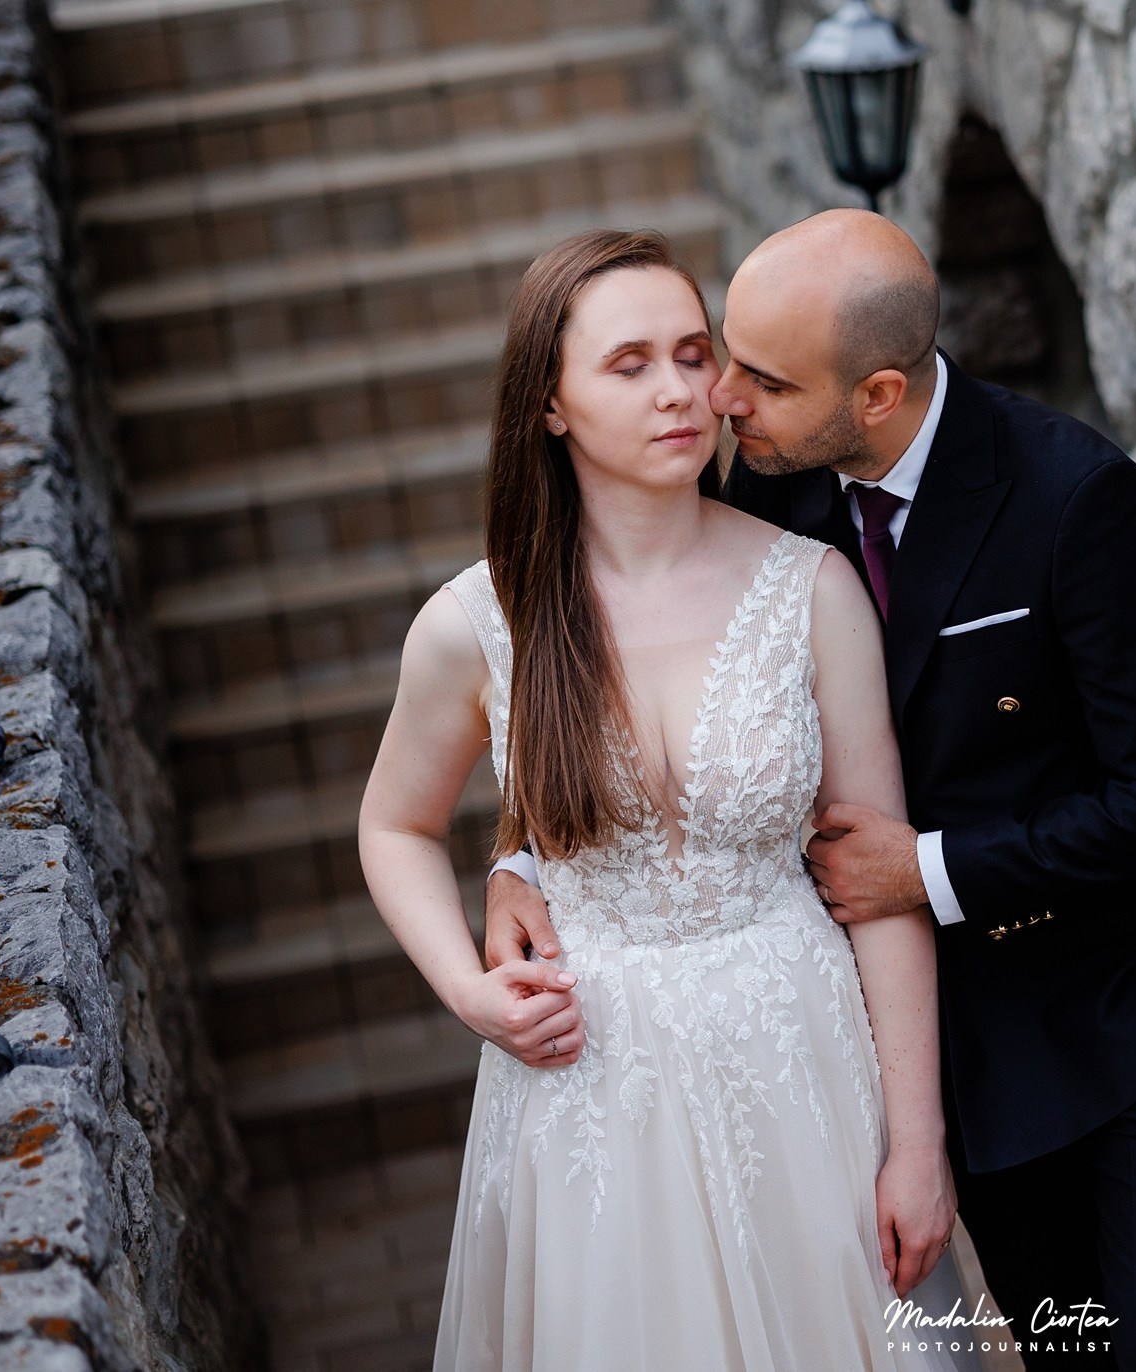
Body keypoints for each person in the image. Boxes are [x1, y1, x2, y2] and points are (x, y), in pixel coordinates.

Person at [486, 210, 1136, 1370]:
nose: (721, 398)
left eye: (759, 378)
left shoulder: (1075, 499)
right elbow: (655, 702)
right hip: (971, 1053)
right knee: (1071, 1352)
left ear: (874, 394)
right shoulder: (777, 491)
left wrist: (925, 868)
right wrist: (523, 860)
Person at [357, 227, 979, 1371]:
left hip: (803, 1060)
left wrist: (917, 1143)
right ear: (549, 404)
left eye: (693, 354)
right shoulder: (474, 623)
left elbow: (881, 883)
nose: (680, 390)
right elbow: (392, 824)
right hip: (594, 1087)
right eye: (629, 363)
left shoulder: (812, 588)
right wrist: (466, 988)